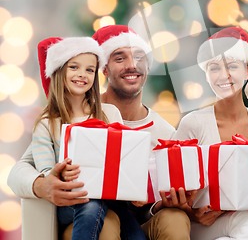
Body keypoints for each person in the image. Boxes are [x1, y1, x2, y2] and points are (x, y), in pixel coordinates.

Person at [8, 25, 188, 240]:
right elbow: (21, 168)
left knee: (174, 218)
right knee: (106, 221)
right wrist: (42, 184)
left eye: (139, 57)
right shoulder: (62, 120)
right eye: (119, 58)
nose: (132, 65)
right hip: (85, 213)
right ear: (104, 69)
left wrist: (155, 203)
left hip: (134, 217)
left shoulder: (165, 133)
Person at [174, 26, 248, 240]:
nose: (223, 75)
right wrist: (193, 214)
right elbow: (173, 185)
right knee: (245, 220)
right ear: (206, 76)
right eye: (214, 68)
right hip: (202, 225)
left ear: (247, 70)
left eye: (232, 66)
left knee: (246, 220)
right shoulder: (192, 124)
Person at [32, 36, 144, 240]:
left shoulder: (109, 113)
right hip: (71, 200)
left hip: (111, 197)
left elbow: (123, 159)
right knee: (91, 205)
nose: (82, 75)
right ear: (59, 71)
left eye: (90, 70)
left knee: (132, 229)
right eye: (74, 67)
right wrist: (60, 174)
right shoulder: (47, 124)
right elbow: (46, 173)